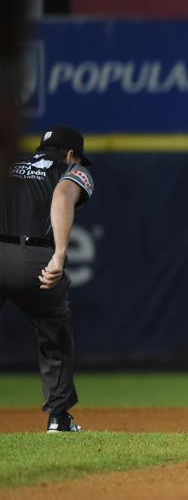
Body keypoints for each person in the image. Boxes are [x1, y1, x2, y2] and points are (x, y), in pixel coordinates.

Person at [0, 125, 96, 432]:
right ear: (70, 155)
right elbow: (64, 194)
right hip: (37, 260)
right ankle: (58, 418)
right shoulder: (72, 170)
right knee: (55, 338)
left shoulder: (10, 163)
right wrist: (60, 252)